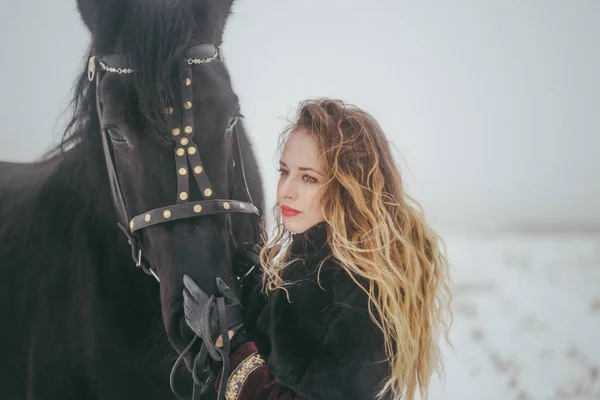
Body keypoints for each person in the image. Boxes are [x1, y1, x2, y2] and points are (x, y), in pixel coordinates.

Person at [183, 98, 453, 400]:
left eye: (309, 177)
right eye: (285, 172)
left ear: (350, 186)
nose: (287, 190)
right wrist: (256, 291)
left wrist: (232, 342)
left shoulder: (360, 293)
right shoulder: (311, 265)